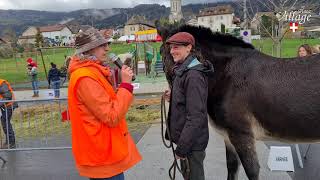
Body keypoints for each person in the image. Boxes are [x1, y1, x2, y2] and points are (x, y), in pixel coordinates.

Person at [68, 28, 141, 180]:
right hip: (102, 156)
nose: (107, 48)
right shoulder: (85, 78)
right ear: (88, 50)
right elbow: (111, 116)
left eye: (106, 44)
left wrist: (120, 83)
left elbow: (108, 103)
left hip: (107, 152)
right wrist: (126, 86)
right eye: (102, 45)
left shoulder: (92, 72)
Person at [164, 32, 214, 180]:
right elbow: (188, 102)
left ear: (189, 48)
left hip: (191, 144)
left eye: (177, 47)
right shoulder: (184, 70)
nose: (172, 51)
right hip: (188, 141)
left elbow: (196, 116)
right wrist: (172, 97)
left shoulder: (193, 76)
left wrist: (182, 148)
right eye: (171, 48)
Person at [0, 79, 18, 149]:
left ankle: (11, 142)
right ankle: (9, 141)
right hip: (4, 106)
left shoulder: (1, 83)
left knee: (5, 123)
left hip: (9, 105)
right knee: (4, 122)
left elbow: (8, 96)